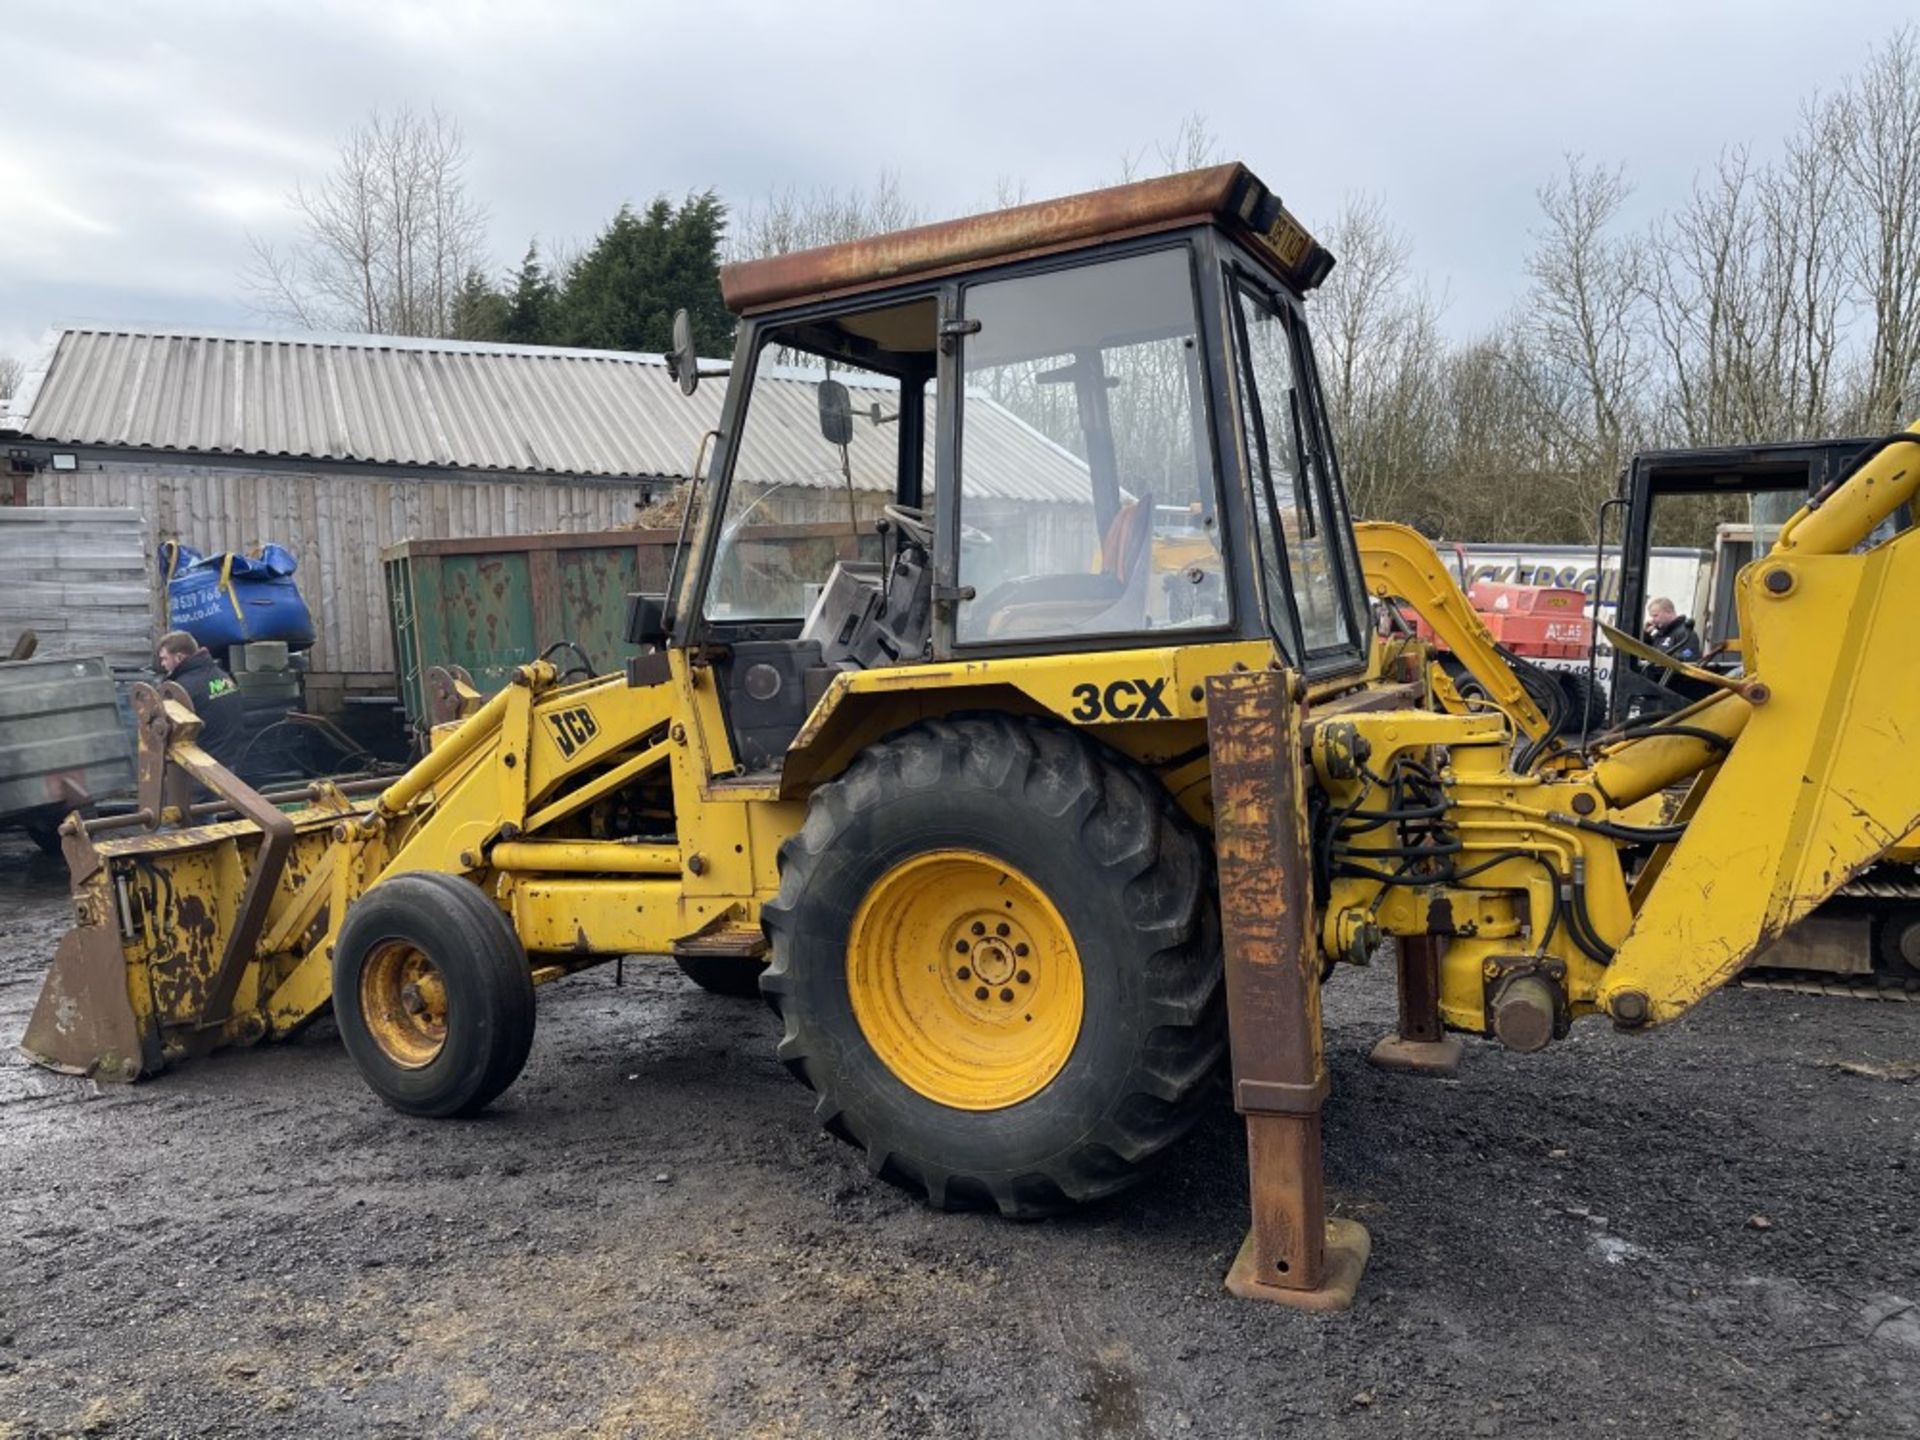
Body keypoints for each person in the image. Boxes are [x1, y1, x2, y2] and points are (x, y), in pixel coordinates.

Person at [156, 630, 247, 769]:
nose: (162, 664)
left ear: (179, 658)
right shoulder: (223, 676)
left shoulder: (182, 689)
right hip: (232, 760)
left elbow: (168, 734)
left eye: (164, 658)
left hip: (202, 768)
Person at [1642, 598, 1702, 663]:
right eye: (1651, 616)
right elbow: (1645, 655)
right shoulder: (1659, 635)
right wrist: (1645, 636)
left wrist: (1666, 658)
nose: (1652, 620)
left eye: (1655, 616)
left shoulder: (1686, 633)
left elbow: (1690, 656)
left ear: (1669, 612)